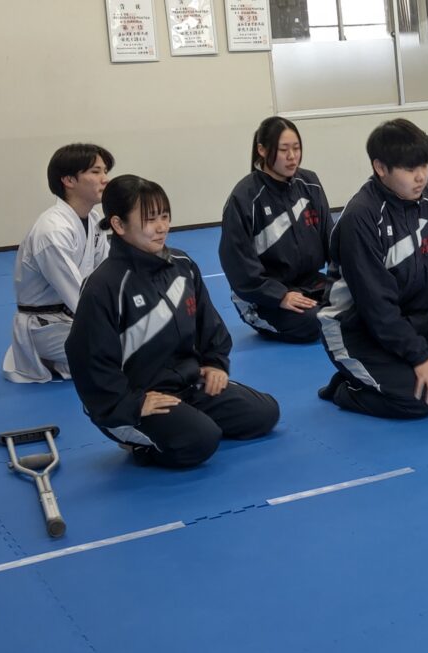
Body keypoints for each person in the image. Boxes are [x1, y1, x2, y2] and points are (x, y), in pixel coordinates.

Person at [66, 175, 280, 468]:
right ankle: (139, 442)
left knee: (265, 413)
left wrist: (215, 363)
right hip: (136, 400)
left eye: (164, 216)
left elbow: (209, 324)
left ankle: (189, 420)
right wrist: (132, 404)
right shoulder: (104, 286)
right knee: (201, 441)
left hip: (188, 385)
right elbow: (88, 361)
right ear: (119, 225)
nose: (161, 227)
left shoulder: (182, 265)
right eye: (149, 219)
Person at [317, 119, 428, 419]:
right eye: (410, 169)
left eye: (424, 165)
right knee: (417, 400)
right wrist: (419, 358)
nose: (421, 176)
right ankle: (346, 387)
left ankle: (382, 374)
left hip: (414, 321)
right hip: (356, 328)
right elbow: (375, 304)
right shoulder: (361, 217)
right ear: (381, 168)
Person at [2, 143, 114, 383]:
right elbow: (79, 297)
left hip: (71, 318)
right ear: (68, 180)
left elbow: (107, 274)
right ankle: (46, 357)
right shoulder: (52, 231)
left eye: (105, 171)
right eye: (95, 172)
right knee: (128, 350)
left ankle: (63, 361)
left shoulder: (93, 219)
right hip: (45, 326)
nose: (105, 179)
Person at [218, 116, 333, 343]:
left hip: (310, 283)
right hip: (263, 296)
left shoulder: (310, 183)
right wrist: (280, 296)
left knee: (360, 302)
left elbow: (332, 240)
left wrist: (346, 282)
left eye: (296, 148)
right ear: (262, 150)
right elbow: (239, 267)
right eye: (283, 150)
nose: (292, 156)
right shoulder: (244, 198)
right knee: (313, 322)